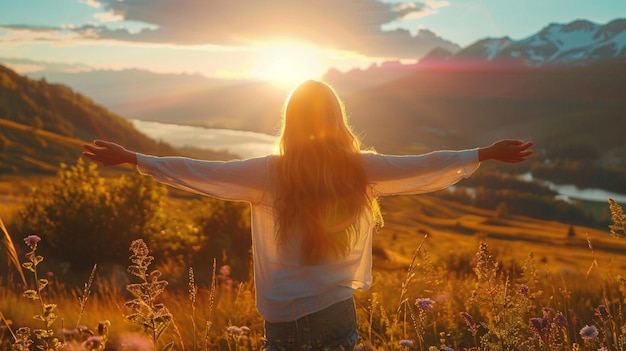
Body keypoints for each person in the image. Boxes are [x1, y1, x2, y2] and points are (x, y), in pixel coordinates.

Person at [83, 79, 533, 351]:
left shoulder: (268, 173)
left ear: (290, 121)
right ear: (336, 118)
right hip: (335, 310)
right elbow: (422, 164)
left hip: (281, 318)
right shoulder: (358, 169)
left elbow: (200, 172)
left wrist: (134, 159)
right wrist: (483, 153)